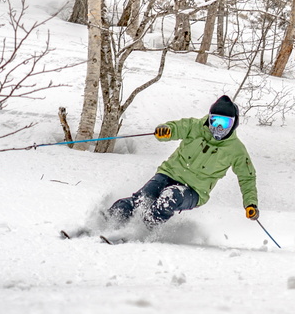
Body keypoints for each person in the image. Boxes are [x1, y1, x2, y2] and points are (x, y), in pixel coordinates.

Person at [107, 95, 259, 229]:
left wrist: (250, 204)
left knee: (170, 197)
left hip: (194, 191)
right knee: (142, 199)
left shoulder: (235, 149)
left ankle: (141, 229)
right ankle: (106, 221)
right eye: (215, 121)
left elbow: (247, 177)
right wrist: (165, 131)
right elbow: (175, 128)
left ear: (234, 124)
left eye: (225, 123)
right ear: (209, 118)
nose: (218, 127)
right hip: (168, 174)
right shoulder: (194, 126)